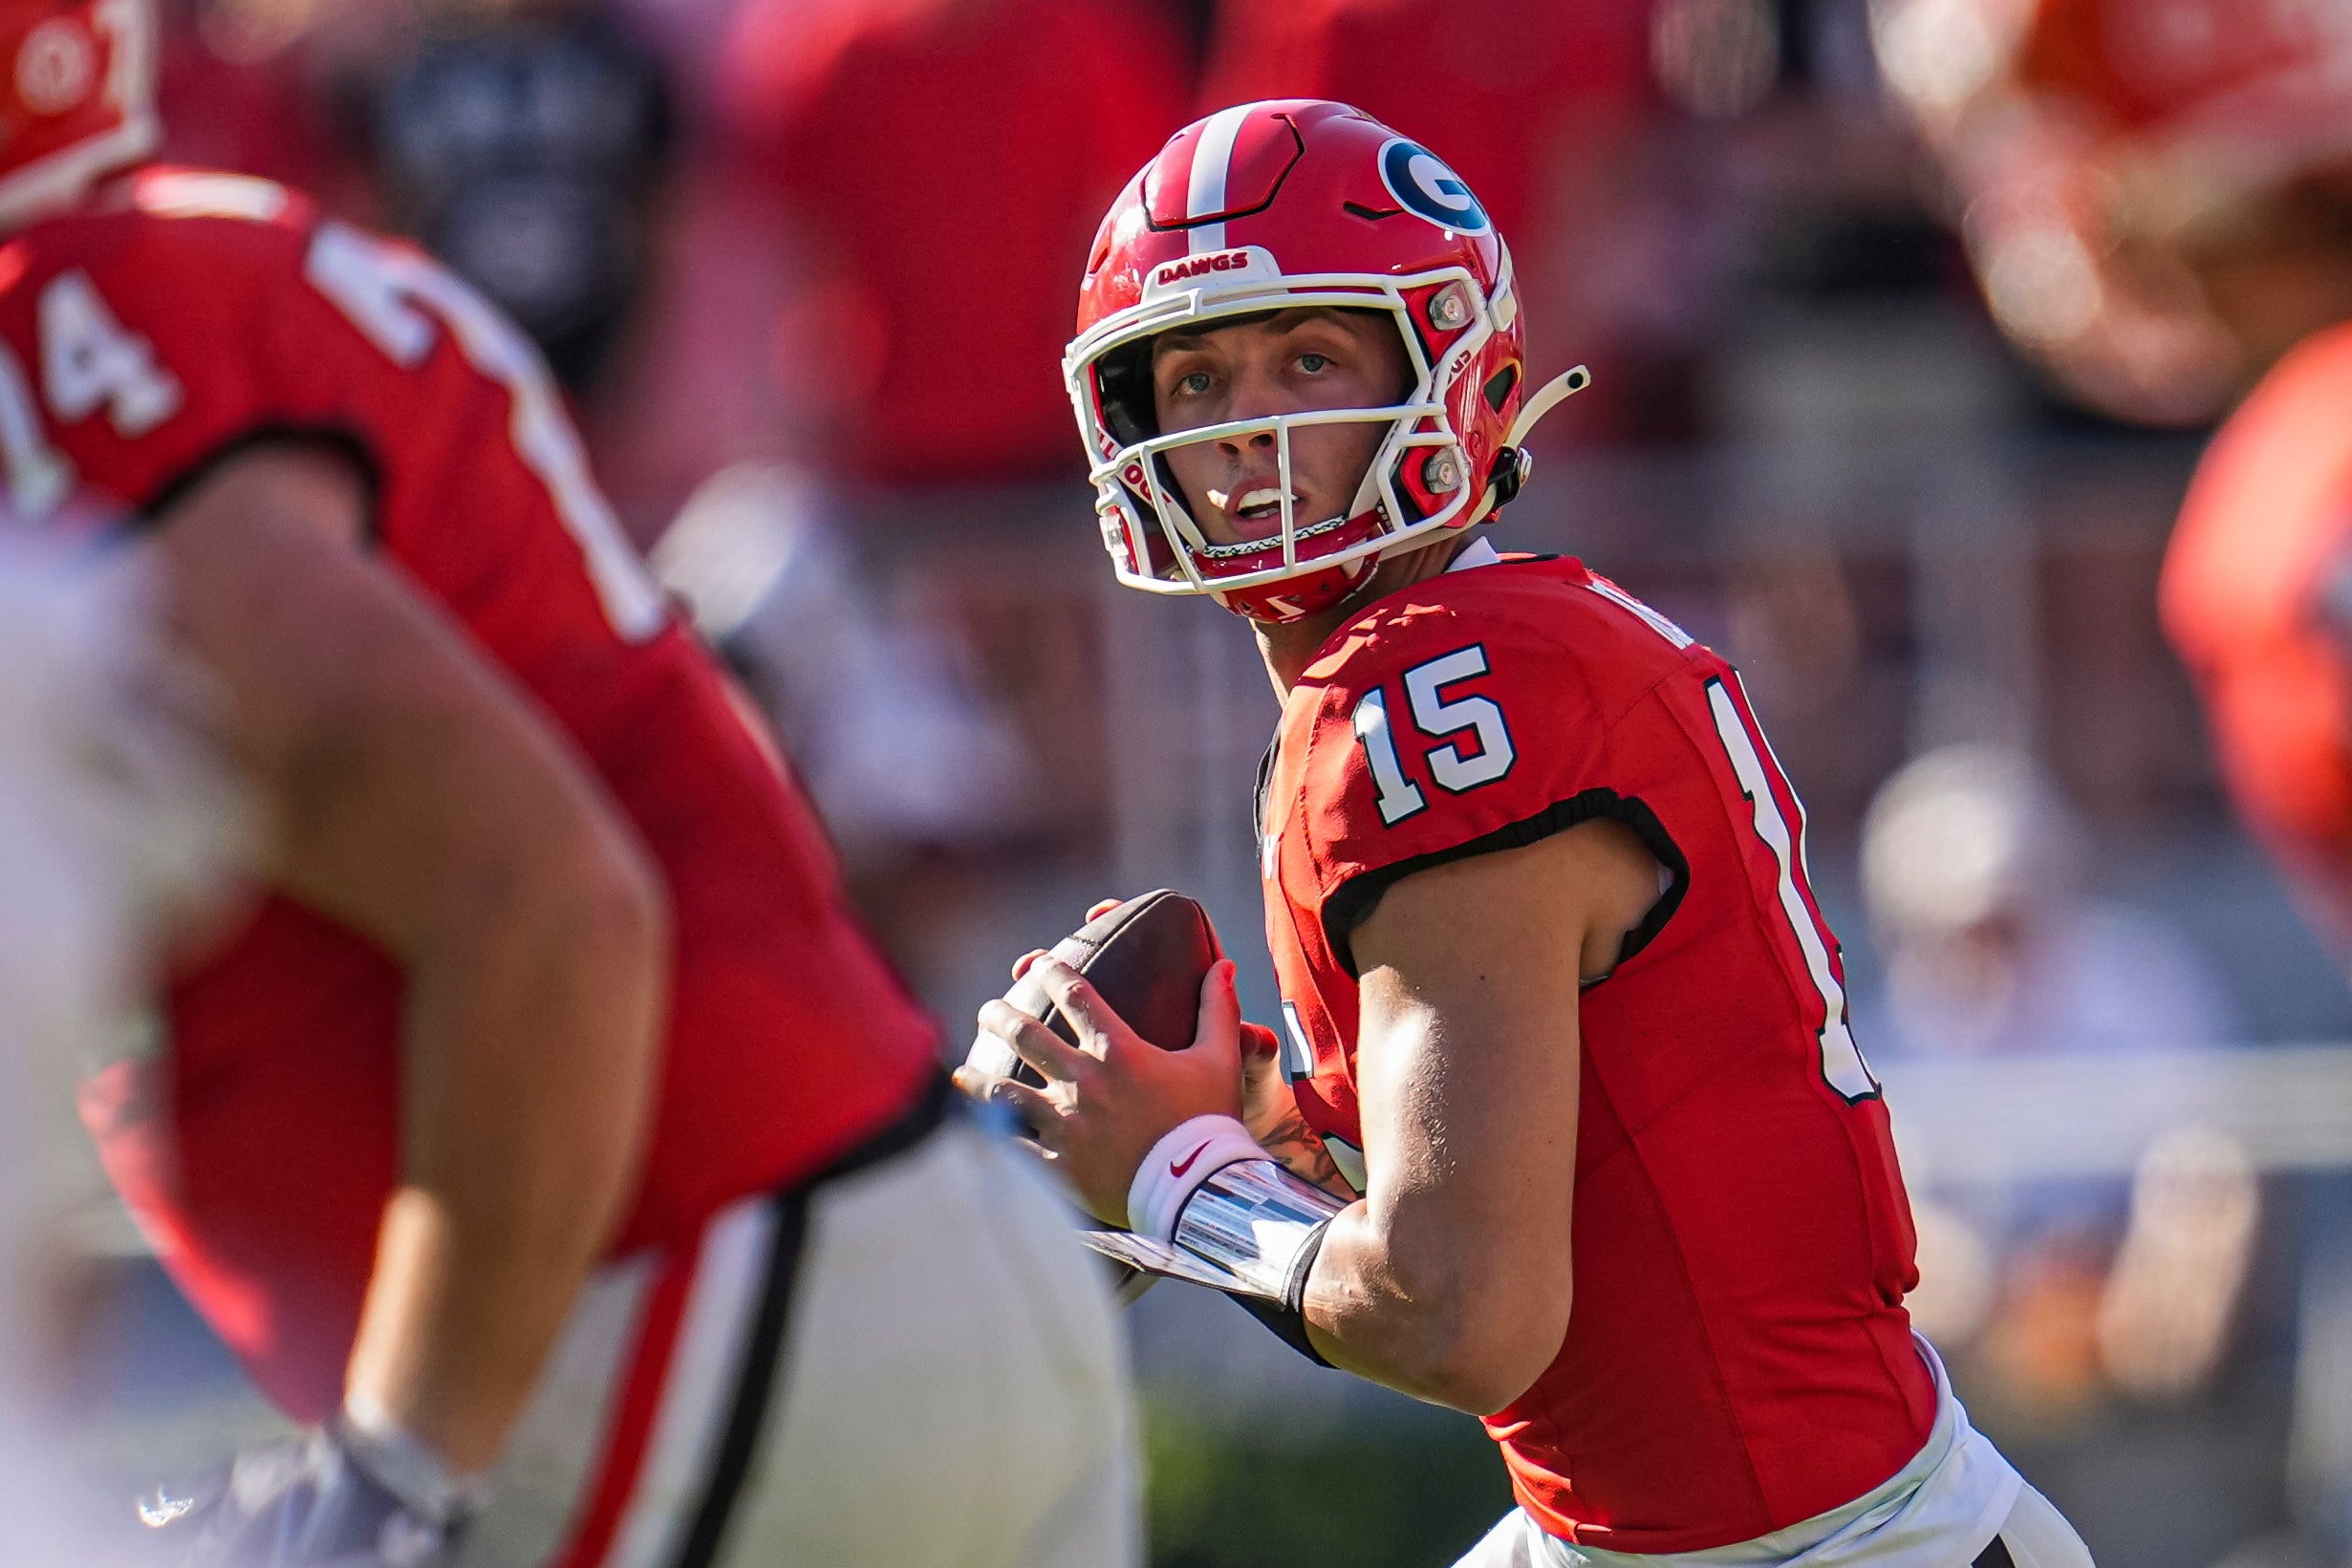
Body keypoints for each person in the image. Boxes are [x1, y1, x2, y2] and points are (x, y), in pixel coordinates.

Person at [0, 4, 1134, 1564]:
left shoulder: (67, 355)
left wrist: (396, 1474)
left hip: (689, 1298)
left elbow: (544, 903)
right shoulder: (184, 276)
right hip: (843, 1251)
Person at [960, 99, 2093, 1566]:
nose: (1246, 428)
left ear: (1449, 374)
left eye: (1308, 357)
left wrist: (1175, 1182)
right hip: (1689, 1526)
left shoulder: (1427, 692)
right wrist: (1244, 1133)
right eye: (1194, 375)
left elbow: (1459, 1312)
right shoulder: (1470, 651)